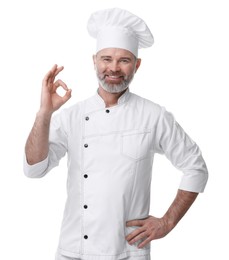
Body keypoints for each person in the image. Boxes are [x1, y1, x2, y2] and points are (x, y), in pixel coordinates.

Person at [24, 7, 208, 260]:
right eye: (106, 59)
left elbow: (196, 168)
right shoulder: (72, 116)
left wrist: (167, 222)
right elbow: (34, 169)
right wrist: (44, 113)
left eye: (124, 60)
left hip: (127, 251)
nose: (113, 68)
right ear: (94, 61)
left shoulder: (153, 115)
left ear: (137, 65)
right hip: (72, 250)